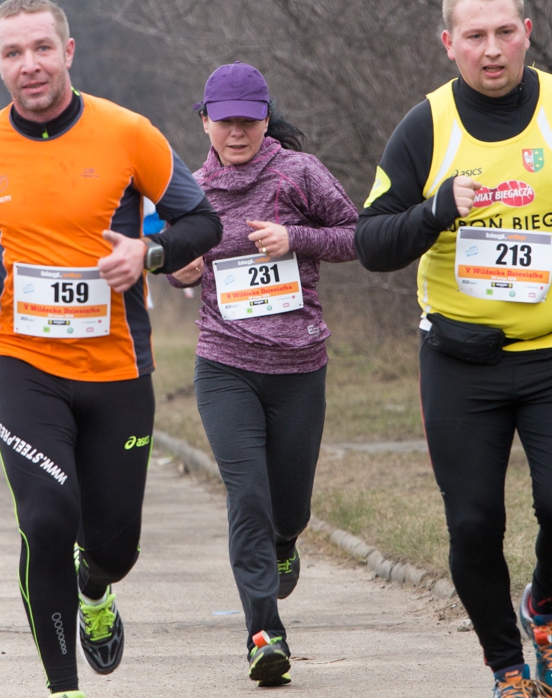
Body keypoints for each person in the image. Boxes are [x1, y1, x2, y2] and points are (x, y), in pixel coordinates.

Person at [355, 0, 552, 698]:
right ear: (448, 44)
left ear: (527, 31)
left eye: (504, 33)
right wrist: (436, 211)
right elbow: (370, 242)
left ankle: (544, 608)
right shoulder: (426, 126)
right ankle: (507, 668)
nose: (492, 51)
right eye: (475, 37)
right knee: (475, 523)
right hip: (461, 363)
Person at [0, 0, 222, 698]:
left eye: (42, 49)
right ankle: (63, 688)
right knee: (48, 519)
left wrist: (148, 253)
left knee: (115, 546)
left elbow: (202, 222)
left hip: (118, 368)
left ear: (69, 52)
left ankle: (97, 591)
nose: (31, 65)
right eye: (14, 53)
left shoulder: (128, 133)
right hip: (22, 364)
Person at [166, 62, 359, 688]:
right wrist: (183, 271)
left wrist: (294, 238)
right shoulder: (190, 189)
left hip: (299, 365)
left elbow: (358, 234)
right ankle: (263, 632)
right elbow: (173, 259)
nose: (238, 132)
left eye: (249, 120)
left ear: (266, 118)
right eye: (225, 121)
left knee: (289, 506)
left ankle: (285, 540)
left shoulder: (298, 173)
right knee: (245, 494)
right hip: (224, 365)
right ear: (205, 122)